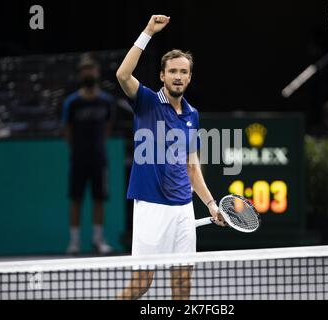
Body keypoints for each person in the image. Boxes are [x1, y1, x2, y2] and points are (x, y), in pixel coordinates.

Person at [115, 15, 226, 300]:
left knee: (182, 284)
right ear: (163, 76)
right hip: (152, 207)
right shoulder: (147, 102)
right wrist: (147, 32)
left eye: (183, 72)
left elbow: (191, 165)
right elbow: (123, 75)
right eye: (172, 71)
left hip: (183, 209)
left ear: (189, 77)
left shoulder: (192, 115)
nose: (178, 76)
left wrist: (211, 204)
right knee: (142, 283)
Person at [62, 55, 116, 255]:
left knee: (99, 199)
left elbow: (108, 128)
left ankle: (97, 240)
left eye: (91, 69)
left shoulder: (106, 102)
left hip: (99, 159)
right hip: (78, 159)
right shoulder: (72, 103)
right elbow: (66, 130)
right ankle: (74, 242)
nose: (88, 73)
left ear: (97, 73)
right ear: (80, 74)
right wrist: (77, 149)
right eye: (84, 69)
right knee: (76, 199)